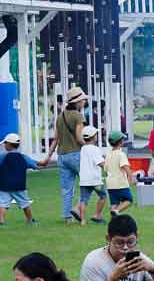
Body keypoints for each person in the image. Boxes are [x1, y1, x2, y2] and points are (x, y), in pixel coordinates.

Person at [40, 85, 88, 224]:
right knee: (89, 183)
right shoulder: (79, 116)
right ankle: (78, 208)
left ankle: (67, 217)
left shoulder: (60, 117)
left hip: (62, 156)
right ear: (77, 102)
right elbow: (79, 138)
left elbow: (56, 139)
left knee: (67, 189)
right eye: (83, 100)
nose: (84, 102)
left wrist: (48, 157)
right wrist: (90, 147)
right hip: (76, 155)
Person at [0, 132, 39, 225]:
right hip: (20, 185)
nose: (4, 145)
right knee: (25, 203)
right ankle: (30, 220)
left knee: (3, 204)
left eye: (5, 143)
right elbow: (34, 165)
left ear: (9, 144)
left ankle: (1, 220)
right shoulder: (23, 157)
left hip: (4, 185)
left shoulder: (2, 156)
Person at [76, 126, 106, 223]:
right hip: (95, 179)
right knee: (103, 196)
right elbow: (100, 162)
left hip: (84, 179)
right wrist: (109, 169)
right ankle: (97, 215)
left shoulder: (83, 149)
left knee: (83, 200)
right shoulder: (95, 149)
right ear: (93, 137)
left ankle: (83, 220)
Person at [102, 131, 134, 217]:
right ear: (121, 142)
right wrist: (131, 179)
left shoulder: (108, 155)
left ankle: (114, 220)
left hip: (110, 184)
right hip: (120, 183)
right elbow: (126, 168)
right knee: (129, 200)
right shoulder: (121, 154)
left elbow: (105, 169)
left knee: (114, 202)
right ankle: (116, 210)